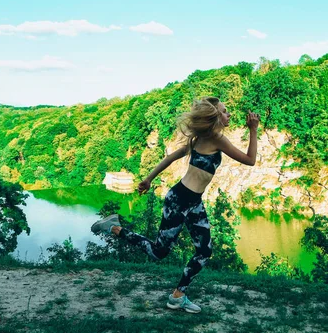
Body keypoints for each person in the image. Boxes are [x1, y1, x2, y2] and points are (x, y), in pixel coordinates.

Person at [91, 96, 260, 313]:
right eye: (225, 111)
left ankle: (178, 296)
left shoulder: (202, 139)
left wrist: (149, 179)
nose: (229, 115)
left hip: (193, 202)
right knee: (158, 252)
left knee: (204, 251)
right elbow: (250, 160)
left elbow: (170, 158)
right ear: (215, 116)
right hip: (179, 200)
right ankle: (113, 227)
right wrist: (253, 129)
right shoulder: (215, 138)